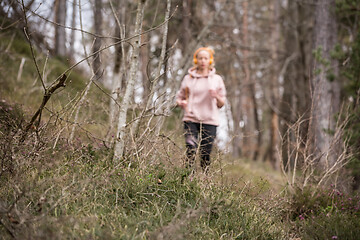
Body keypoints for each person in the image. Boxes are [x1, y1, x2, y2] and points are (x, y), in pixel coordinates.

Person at [176, 47, 226, 173]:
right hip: (190, 118)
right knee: (191, 149)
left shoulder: (217, 79)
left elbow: (222, 103)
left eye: (205, 58)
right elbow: (179, 97)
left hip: (210, 120)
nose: (203, 61)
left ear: (210, 60)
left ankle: (204, 181)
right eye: (200, 58)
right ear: (196, 60)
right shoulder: (188, 78)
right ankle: (188, 179)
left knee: (205, 153)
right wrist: (181, 103)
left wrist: (216, 96)